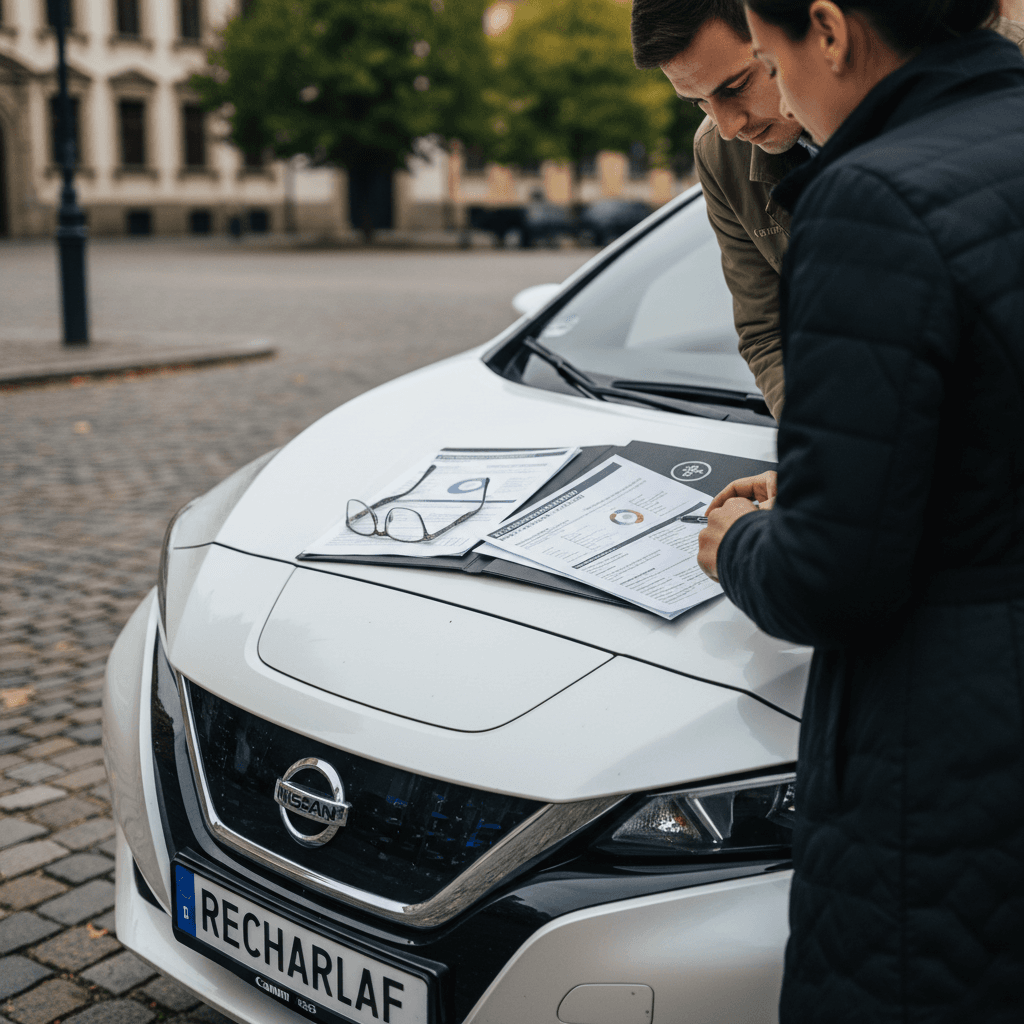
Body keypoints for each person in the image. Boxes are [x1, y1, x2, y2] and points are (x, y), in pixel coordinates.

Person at [695, 0, 1024, 1021]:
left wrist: (740, 542)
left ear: (827, 31)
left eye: (768, 56)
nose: (775, 95)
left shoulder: (869, 196)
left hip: (949, 757)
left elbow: (828, 579)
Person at [630, 0, 1024, 421]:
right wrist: (812, 447)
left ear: (814, 33)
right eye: (698, 103)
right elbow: (768, 330)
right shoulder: (717, 153)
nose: (727, 126)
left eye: (736, 86)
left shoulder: (998, 87)